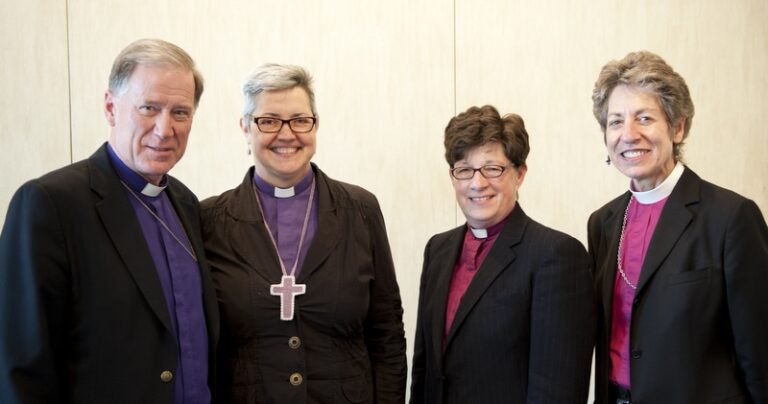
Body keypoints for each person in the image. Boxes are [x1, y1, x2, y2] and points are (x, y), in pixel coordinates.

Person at [0, 38, 219, 403]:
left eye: (180, 113)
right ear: (110, 107)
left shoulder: (185, 202)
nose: (165, 130)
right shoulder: (50, 204)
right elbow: (19, 366)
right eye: (149, 108)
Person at [200, 63, 407, 403]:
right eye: (268, 121)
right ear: (245, 128)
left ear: (315, 126)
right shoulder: (210, 220)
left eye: (300, 120)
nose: (286, 134)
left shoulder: (361, 209)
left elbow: (386, 331)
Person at [588, 50, 768, 403]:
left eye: (644, 118)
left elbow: (760, 353)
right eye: (615, 121)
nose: (629, 134)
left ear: (678, 127)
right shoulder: (603, 223)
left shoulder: (731, 218)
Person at [410, 105, 596, 404]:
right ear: (452, 175)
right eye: (464, 169)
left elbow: (557, 389)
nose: (477, 183)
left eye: (493, 168)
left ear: (519, 173)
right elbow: (424, 369)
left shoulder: (556, 255)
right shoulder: (438, 250)